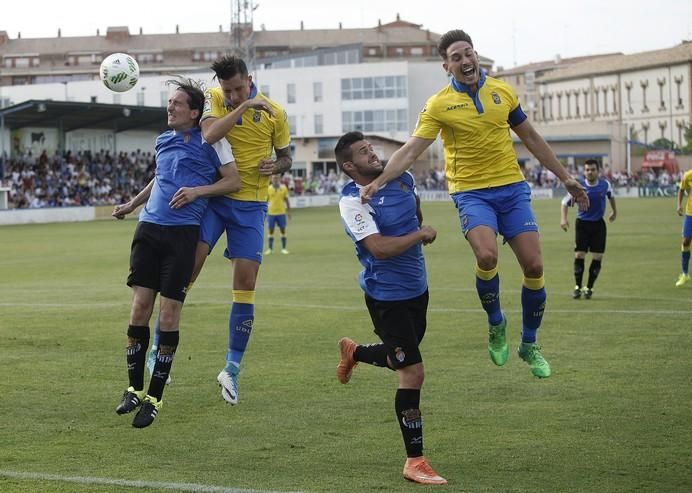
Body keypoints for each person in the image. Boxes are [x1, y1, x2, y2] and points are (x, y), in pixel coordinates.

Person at [360, 29, 589, 379]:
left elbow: (530, 137)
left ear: (476, 55)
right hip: (471, 191)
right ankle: (496, 322)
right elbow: (411, 149)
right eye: (457, 57)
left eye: (469, 53)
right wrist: (378, 181)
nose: (466, 61)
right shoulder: (439, 105)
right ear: (446, 66)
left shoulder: (503, 92)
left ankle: (529, 343)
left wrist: (565, 177)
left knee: (534, 266)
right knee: (487, 256)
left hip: (512, 189)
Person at [112, 79, 241, 428]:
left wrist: (198, 192)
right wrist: (131, 204)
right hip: (148, 230)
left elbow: (233, 181)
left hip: (183, 236)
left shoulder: (212, 141)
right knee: (139, 308)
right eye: (169, 103)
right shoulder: (162, 140)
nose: (170, 108)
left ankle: (154, 398)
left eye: (177, 104)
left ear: (195, 112)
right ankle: (133, 388)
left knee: (168, 317)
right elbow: (159, 177)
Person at [168, 55, 292, 406]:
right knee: (187, 269)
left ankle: (231, 370)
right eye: (229, 89)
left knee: (246, 284)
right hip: (215, 199)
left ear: (249, 78)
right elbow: (208, 135)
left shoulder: (276, 113)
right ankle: (159, 350)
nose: (234, 95)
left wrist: (276, 165)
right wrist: (245, 104)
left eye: (239, 88)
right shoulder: (213, 98)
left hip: (251, 205)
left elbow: (286, 156)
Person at [334, 131, 446, 486]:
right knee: (412, 371)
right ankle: (415, 461)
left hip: (418, 288)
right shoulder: (353, 201)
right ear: (350, 166)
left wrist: (418, 229)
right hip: (387, 295)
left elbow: (414, 210)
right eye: (364, 152)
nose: (373, 153)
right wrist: (419, 235)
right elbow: (378, 248)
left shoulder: (404, 178)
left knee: (400, 355)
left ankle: (355, 352)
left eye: (371, 147)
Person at [560, 159, 617, 299]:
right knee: (579, 255)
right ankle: (578, 287)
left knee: (598, 256)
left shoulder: (605, 185)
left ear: (598, 171)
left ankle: (589, 288)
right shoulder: (578, 186)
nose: (590, 172)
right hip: (582, 224)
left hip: (598, 225)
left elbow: (611, 197)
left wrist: (614, 211)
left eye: (592, 169)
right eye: (587, 170)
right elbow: (564, 202)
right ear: (584, 171)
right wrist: (563, 219)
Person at [264, 173, 291, 254]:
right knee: (270, 230)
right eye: (274, 178)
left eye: (277, 178)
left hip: (281, 212)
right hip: (271, 213)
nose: (275, 180)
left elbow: (287, 200)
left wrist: (289, 211)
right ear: (272, 179)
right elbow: (265, 201)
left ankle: (283, 248)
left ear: (279, 179)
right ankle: (270, 249)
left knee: (283, 230)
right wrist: (264, 212)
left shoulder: (283, 188)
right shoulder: (268, 189)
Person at [675, 168, 692, 286]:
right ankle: (685, 274)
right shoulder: (688, 175)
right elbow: (681, 189)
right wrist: (679, 205)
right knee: (686, 242)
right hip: (690, 213)